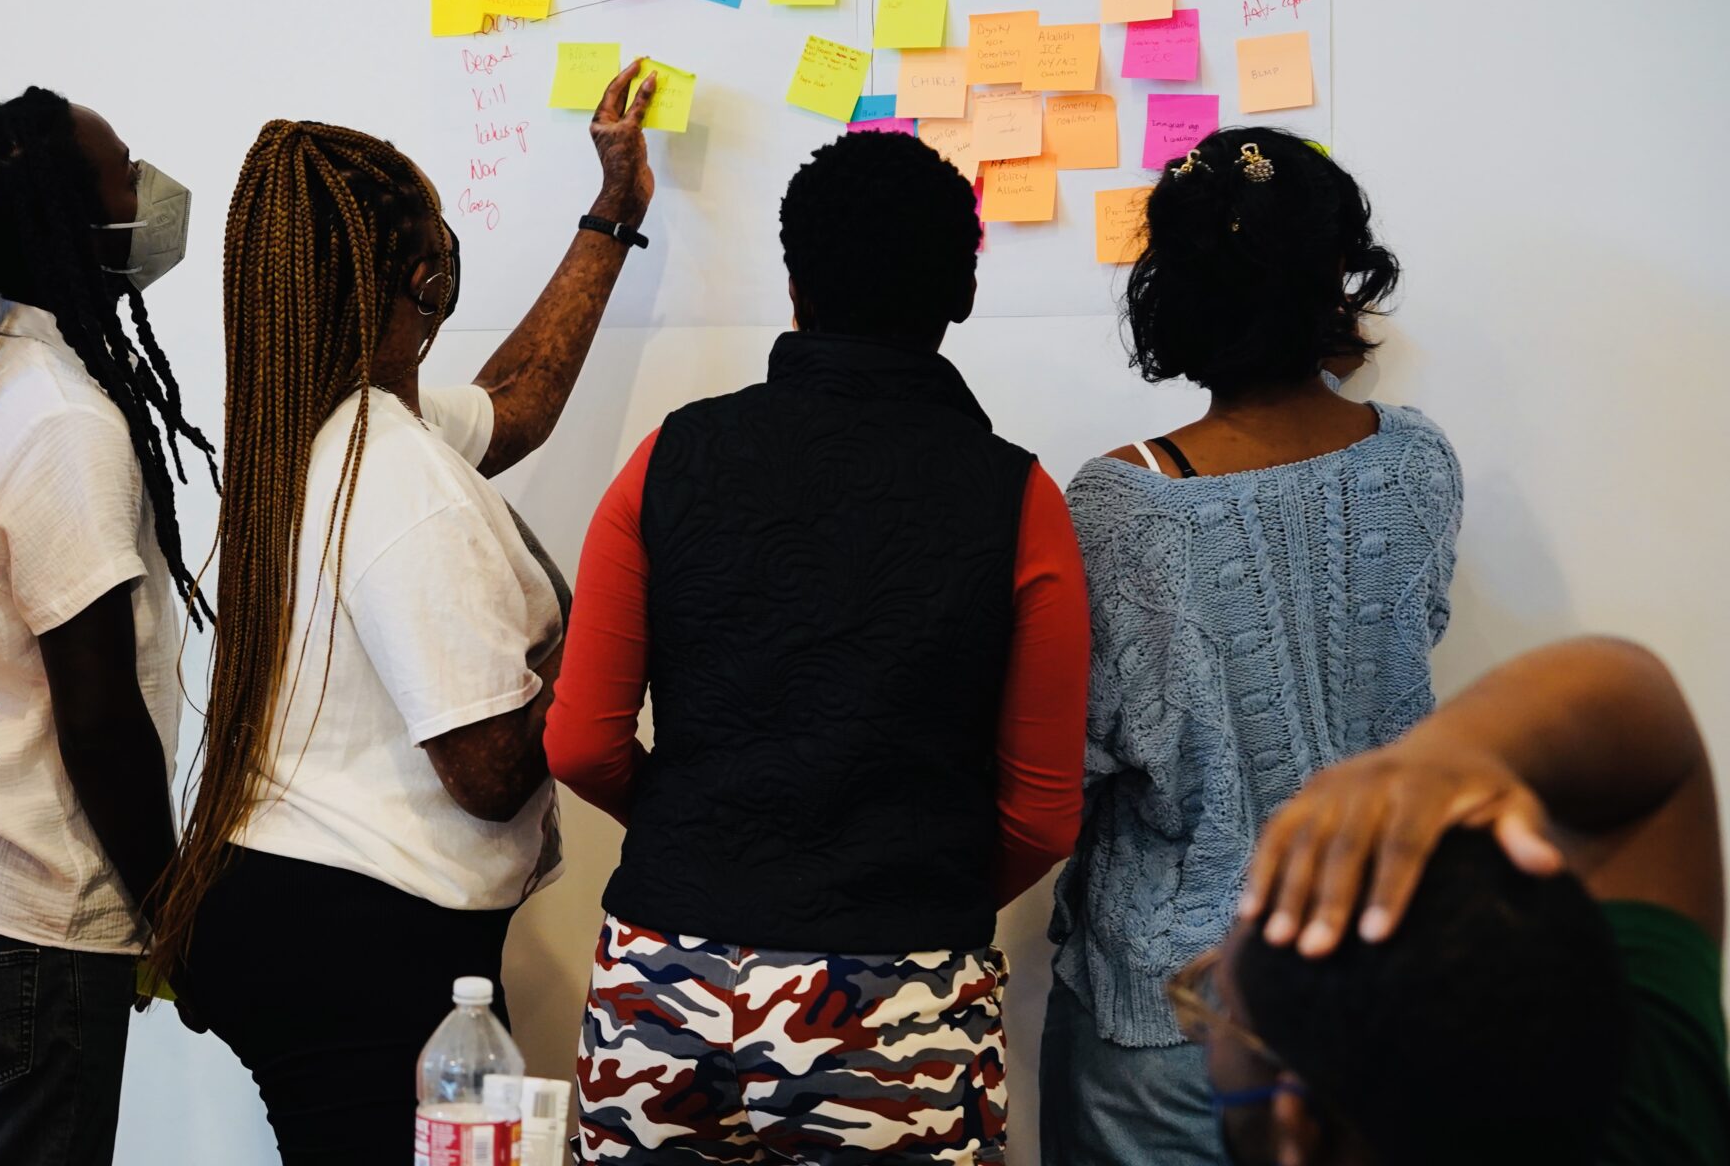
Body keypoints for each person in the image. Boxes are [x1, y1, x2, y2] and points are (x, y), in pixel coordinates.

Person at [147, 61, 662, 1163]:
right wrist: (613, 635)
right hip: (353, 947)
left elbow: (517, 405)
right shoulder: (395, 477)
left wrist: (611, 217)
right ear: (425, 277)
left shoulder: (319, 421)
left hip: (284, 906)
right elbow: (484, 774)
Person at [550, 129, 1091, 1163]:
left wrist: (700, 828)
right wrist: (911, 879)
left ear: (793, 284)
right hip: (901, 996)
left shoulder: (670, 459)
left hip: (665, 990)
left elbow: (578, 742)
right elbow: (1042, 813)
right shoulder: (1017, 499)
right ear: (960, 296)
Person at [1041, 127, 1464, 1165]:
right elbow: (1415, 644)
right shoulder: (1414, 463)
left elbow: (1079, 759)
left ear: (1170, 288)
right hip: (1374, 980)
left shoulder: (1118, 504)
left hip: (1176, 1005)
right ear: (1336, 275)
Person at [0, 86, 216, 1166]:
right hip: (30, 928)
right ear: (70, 216)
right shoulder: (67, 422)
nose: (150, 191)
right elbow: (98, 709)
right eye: (126, 172)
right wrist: (175, 911)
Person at [1192, 636, 1728, 1165]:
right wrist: (1451, 751)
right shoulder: (1653, 1121)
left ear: (1299, 1130)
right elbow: (1653, 729)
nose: (1196, 1029)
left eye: (1219, 1010)